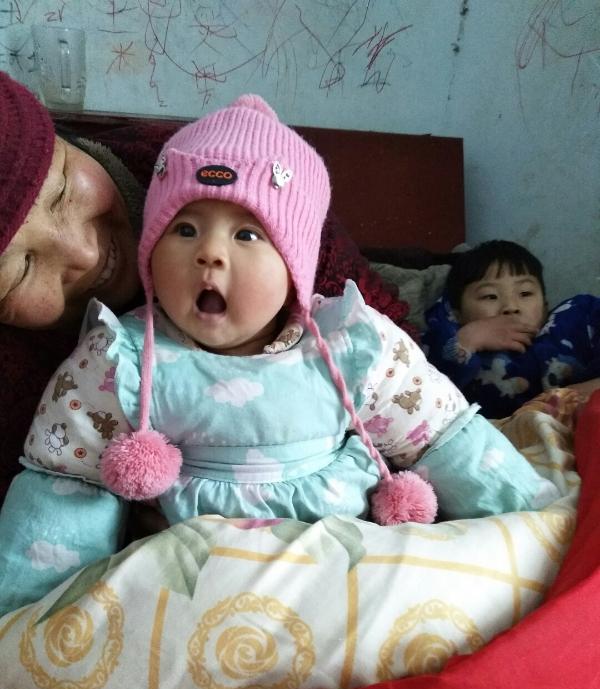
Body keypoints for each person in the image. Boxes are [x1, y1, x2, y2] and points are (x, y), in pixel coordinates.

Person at [0, 95, 559, 616]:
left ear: (297, 266)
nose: (210, 254)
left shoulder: (352, 341)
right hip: (195, 597)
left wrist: (541, 526)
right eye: (185, 229)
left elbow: (443, 436)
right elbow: (62, 491)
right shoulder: (116, 361)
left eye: (247, 236)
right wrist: (24, 618)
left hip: (349, 580)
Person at [0, 70, 411, 503]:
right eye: (21, 268)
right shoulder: (43, 377)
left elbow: (396, 374)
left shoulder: (218, 165)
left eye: (62, 191)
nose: (84, 253)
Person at [423, 240, 600, 418]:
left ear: (545, 306)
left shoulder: (577, 317)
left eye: (525, 293)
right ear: (457, 314)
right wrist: (467, 340)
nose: (511, 307)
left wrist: (574, 395)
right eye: (490, 296)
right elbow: (426, 397)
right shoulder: (448, 339)